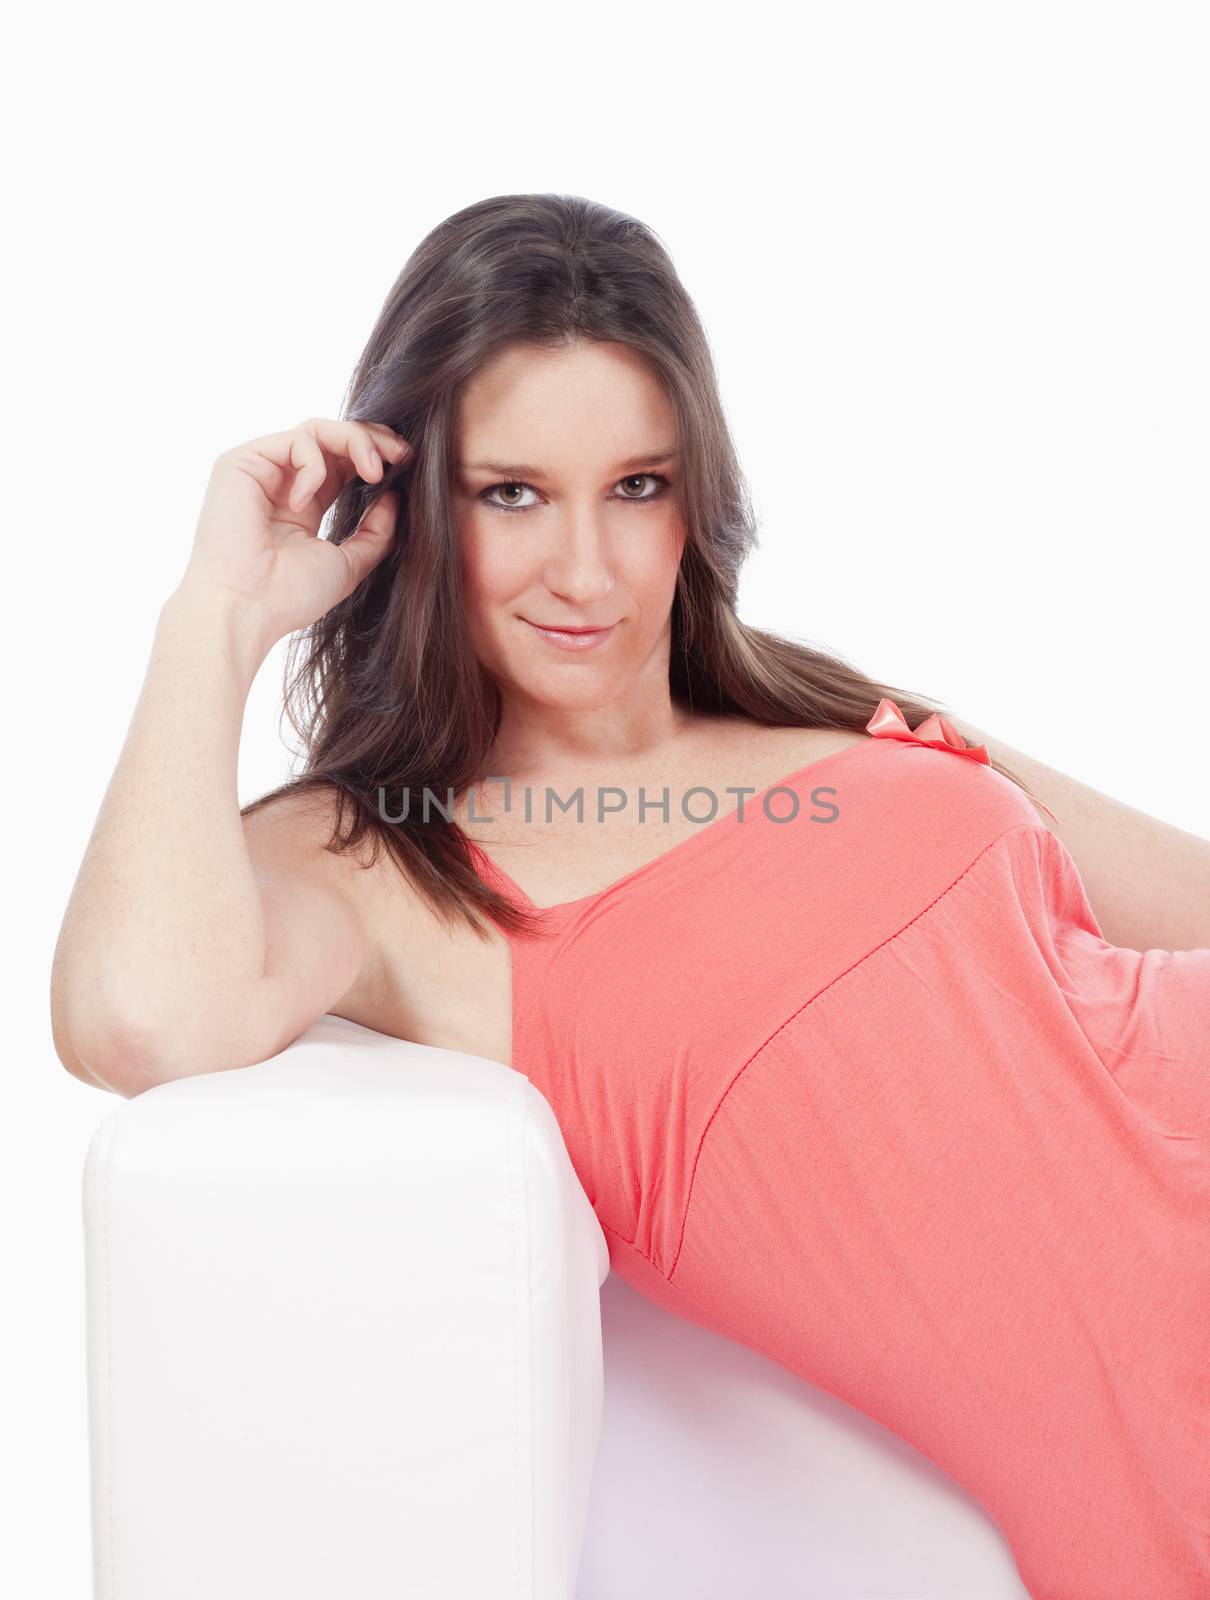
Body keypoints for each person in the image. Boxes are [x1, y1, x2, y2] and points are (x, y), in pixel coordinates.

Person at [50, 193, 1210, 1596]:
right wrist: (214, 614)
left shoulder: (830, 711)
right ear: (407, 506)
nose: (586, 572)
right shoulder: (382, 859)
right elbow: (134, 1018)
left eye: (637, 488)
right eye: (512, 494)